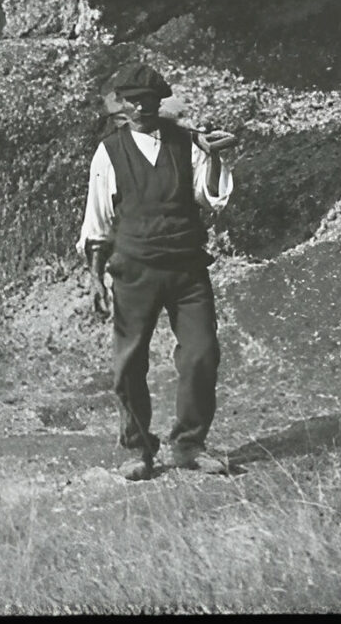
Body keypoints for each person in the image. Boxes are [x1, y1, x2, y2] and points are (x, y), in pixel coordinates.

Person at [78, 59, 238, 481]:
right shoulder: (109, 152)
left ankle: (189, 444)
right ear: (121, 106)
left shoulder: (188, 143)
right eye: (133, 101)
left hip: (187, 270)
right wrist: (96, 277)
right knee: (128, 364)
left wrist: (216, 157)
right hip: (134, 271)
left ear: (160, 102)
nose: (142, 108)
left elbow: (212, 198)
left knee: (203, 353)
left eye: (150, 100)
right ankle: (137, 449)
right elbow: (97, 222)